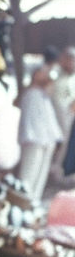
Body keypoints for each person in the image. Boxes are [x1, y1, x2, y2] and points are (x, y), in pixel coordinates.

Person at [17, 63, 63, 201]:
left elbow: (49, 120)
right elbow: (31, 121)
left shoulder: (43, 95)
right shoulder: (30, 94)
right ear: (35, 74)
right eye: (43, 72)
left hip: (46, 141)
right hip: (34, 140)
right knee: (28, 176)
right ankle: (22, 204)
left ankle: (32, 204)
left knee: (39, 178)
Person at [50, 46, 75, 178]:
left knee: (63, 142)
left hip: (66, 116)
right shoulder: (55, 74)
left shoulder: (71, 78)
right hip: (53, 115)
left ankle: (57, 168)